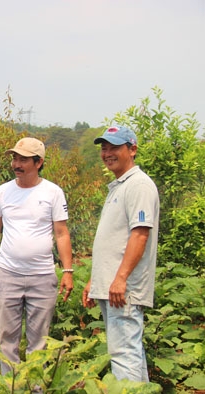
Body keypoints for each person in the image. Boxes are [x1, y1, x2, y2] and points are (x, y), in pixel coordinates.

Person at [0, 137, 73, 375]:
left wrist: (68, 271)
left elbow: (61, 234)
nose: (16, 164)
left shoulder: (52, 192)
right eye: (14, 158)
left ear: (39, 162)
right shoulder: (3, 192)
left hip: (42, 277)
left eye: (23, 159)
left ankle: (35, 387)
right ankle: (9, 386)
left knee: (38, 342)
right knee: (7, 339)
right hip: (8, 275)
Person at [82, 126, 160, 382]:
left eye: (114, 147)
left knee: (123, 354)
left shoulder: (138, 185)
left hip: (123, 289)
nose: (107, 153)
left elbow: (140, 234)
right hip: (113, 285)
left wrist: (121, 278)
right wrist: (97, 280)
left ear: (132, 149)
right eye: (104, 148)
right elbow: (113, 240)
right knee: (129, 353)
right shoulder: (119, 185)